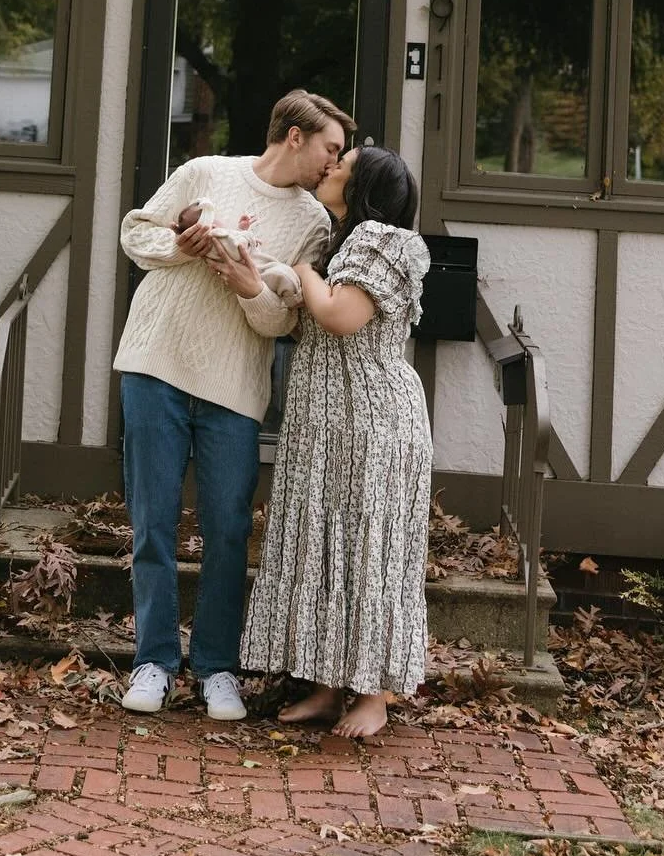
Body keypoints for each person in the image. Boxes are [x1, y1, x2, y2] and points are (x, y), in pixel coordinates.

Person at [113, 89, 354, 720]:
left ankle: (216, 667)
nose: (335, 164)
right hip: (155, 364)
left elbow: (283, 323)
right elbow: (135, 234)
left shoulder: (315, 224)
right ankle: (154, 662)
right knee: (154, 521)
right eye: (330, 148)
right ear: (295, 137)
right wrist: (183, 246)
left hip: (235, 390)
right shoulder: (205, 172)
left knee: (226, 529)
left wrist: (251, 288)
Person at [232, 145, 431, 738]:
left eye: (343, 165)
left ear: (364, 184)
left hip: (371, 422)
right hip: (322, 420)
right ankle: (323, 685)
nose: (331, 168)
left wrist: (302, 274)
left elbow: (341, 316)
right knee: (322, 546)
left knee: (370, 549)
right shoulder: (338, 241)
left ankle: (373, 694)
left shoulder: (386, 239)